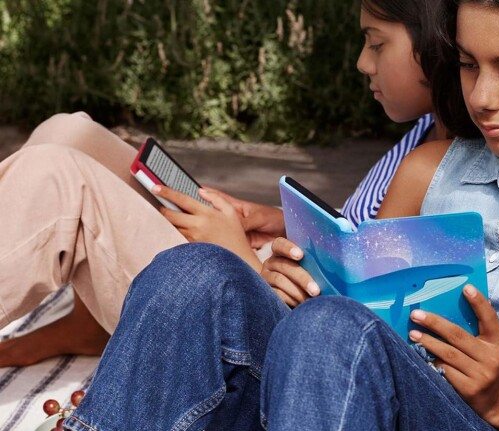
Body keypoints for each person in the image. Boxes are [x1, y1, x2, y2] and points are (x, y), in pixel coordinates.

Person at [64, 0, 499, 429]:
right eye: (468, 66)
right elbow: (355, 332)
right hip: (357, 401)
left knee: (329, 329)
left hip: (497, 419)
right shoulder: (429, 169)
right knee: (196, 270)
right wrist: (297, 286)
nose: (483, 97)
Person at [0, 0, 445, 367]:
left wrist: (235, 254)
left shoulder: (439, 169)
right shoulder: (424, 128)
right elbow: (356, 239)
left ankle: (103, 318)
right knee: (69, 132)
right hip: (265, 271)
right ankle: (89, 322)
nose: (362, 62)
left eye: (377, 43)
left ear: (433, 45)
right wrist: (276, 222)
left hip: (257, 323)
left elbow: (357, 336)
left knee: (56, 181)